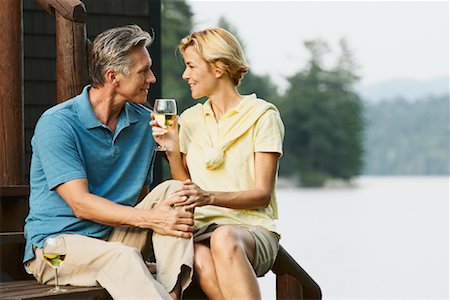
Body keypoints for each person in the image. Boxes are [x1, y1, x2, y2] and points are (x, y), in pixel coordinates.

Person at [23, 25, 194, 300]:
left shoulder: (144, 122)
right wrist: (153, 219)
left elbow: (147, 195)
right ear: (113, 76)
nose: (152, 78)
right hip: (58, 247)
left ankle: (171, 292)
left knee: (174, 191)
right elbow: (80, 204)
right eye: (143, 71)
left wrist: (173, 151)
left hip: (116, 237)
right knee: (123, 258)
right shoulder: (58, 124)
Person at [151, 27, 285, 300]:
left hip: (251, 230)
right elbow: (184, 187)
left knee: (224, 238)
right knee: (198, 256)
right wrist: (172, 149)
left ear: (219, 67)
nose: (185, 75)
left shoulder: (263, 116)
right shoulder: (188, 120)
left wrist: (208, 196)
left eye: (191, 66)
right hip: (202, 231)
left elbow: (262, 195)